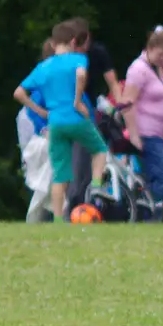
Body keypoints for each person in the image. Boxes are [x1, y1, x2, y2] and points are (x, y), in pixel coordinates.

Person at [14, 21, 110, 221]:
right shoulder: (78, 59)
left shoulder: (43, 67)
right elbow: (81, 75)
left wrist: (40, 111)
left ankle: (58, 221)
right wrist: (76, 102)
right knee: (100, 150)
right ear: (73, 41)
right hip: (76, 120)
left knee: (60, 175)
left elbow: (19, 93)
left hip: (55, 124)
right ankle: (97, 186)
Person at [62, 20, 123, 211]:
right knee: (78, 166)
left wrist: (119, 105)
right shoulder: (65, 57)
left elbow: (112, 82)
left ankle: (87, 204)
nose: (81, 49)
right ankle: (74, 206)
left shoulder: (97, 53)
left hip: (89, 111)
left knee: (88, 162)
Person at [122, 26, 163, 206]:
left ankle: (145, 206)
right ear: (149, 48)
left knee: (156, 174)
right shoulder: (138, 69)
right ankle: (151, 209)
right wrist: (133, 134)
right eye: (159, 54)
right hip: (146, 131)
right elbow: (127, 103)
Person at [16, 37, 56, 222]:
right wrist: (43, 129)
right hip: (35, 133)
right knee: (43, 176)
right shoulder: (46, 77)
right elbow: (31, 112)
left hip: (40, 130)